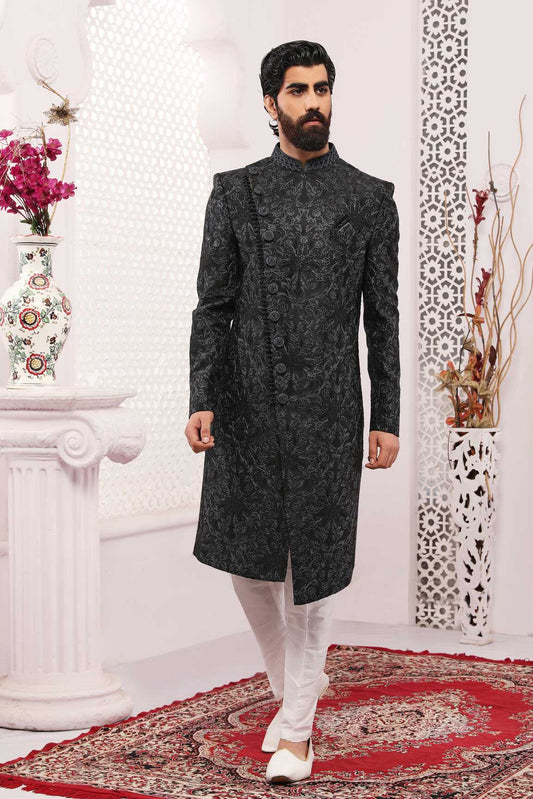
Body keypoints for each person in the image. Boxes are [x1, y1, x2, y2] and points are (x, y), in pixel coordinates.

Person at [185, 40, 400, 784]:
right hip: (245, 407)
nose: (314, 102)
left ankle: (298, 733)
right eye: (299, 90)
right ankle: (296, 688)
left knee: (312, 572)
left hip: (330, 409)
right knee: (248, 565)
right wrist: (202, 395)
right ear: (270, 102)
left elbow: (382, 320)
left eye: (323, 88)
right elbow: (212, 307)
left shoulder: (369, 198)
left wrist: (386, 414)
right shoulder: (235, 193)